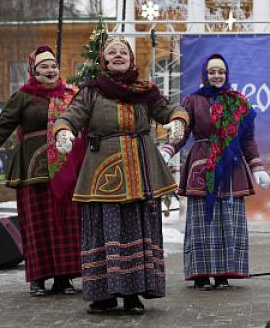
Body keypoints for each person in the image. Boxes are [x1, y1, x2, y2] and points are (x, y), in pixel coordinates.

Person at [52, 37, 188, 314]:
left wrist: (177, 120)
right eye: (111, 52)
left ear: (131, 58)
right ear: (104, 60)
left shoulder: (146, 91)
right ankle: (102, 295)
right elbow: (70, 116)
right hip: (103, 173)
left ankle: (133, 294)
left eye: (122, 52)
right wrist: (64, 130)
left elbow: (170, 108)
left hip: (140, 169)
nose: (117, 55)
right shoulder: (91, 91)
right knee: (104, 231)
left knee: (137, 230)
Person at [0, 45, 84, 297]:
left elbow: (84, 123)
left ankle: (64, 279)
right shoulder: (23, 97)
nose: (50, 70)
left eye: (54, 66)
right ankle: (38, 279)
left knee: (64, 222)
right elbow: (3, 125)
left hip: (65, 169)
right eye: (44, 67)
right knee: (37, 224)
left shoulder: (70, 96)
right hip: (33, 169)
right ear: (33, 70)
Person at [160, 54, 270, 291]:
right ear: (205, 74)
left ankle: (222, 274)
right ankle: (201, 275)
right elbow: (184, 132)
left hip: (231, 170)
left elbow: (247, 140)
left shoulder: (239, 102)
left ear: (226, 74)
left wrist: (257, 167)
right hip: (201, 167)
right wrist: (169, 149)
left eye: (220, 72)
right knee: (202, 223)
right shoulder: (193, 100)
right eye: (212, 72)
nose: (217, 76)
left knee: (228, 222)